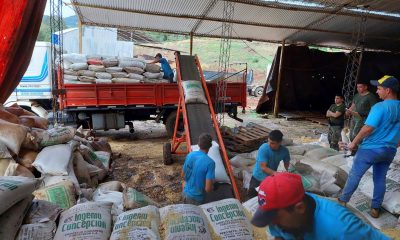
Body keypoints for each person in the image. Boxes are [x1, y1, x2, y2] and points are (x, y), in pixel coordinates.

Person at [251, 172, 390, 239]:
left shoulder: (342, 229)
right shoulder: (278, 218)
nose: (272, 223)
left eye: (274, 218)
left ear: (300, 208)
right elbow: (279, 237)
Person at [339, 75, 400, 218]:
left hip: (370, 149)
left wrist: (353, 143)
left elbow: (368, 128)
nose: (377, 92)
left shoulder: (379, 107)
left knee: (355, 175)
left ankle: (342, 200)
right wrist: (395, 144)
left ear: (388, 90)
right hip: (389, 150)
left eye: (379, 89)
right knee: (380, 179)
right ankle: (375, 208)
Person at [248, 130, 290, 198]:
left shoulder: (284, 151)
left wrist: (284, 173)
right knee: (251, 198)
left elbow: (286, 164)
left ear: (279, 143)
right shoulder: (264, 148)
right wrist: (277, 174)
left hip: (270, 179)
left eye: (272, 143)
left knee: (266, 199)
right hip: (257, 178)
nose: (269, 145)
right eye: (269, 141)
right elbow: (263, 168)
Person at [182, 133, 215, 205]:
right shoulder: (210, 163)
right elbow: (208, 189)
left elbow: (183, 175)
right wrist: (212, 186)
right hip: (196, 199)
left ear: (198, 144)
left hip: (185, 193)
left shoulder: (190, 155)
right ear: (210, 146)